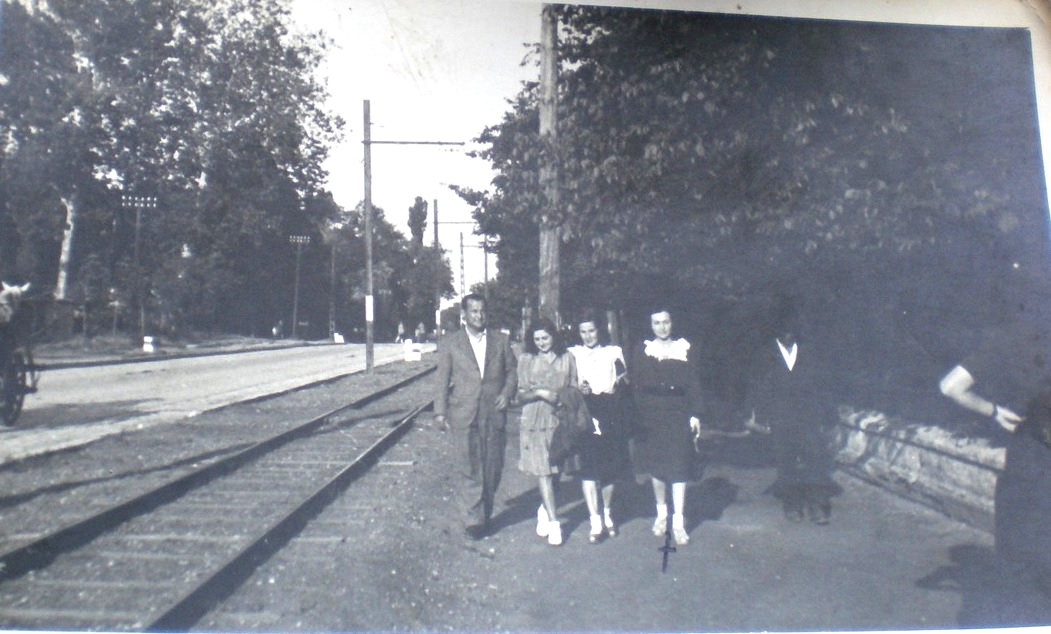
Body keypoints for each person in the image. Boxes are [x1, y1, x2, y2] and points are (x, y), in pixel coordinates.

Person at [940, 320, 1051, 589]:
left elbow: (950, 387)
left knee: (1023, 554)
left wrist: (994, 411)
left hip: (1027, 460)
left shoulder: (1009, 342)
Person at [744, 300, 837, 525]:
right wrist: (758, 416)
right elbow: (758, 387)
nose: (788, 336)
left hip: (808, 415)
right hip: (780, 416)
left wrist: (829, 414)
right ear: (776, 332)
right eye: (783, 331)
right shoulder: (766, 354)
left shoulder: (809, 352)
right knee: (786, 462)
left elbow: (822, 384)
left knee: (814, 458)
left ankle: (817, 504)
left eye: (791, 331)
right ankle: (792, 504)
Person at [434, 294, 518, 540]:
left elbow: (512, 371)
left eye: (482, 311)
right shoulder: (451, 343)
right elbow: (441, 380)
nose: (478, 316)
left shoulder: (501, 341)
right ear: (464, 315)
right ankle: (473, 519)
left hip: (493, 411)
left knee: (492, 466)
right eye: (473, 311)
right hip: (463, 411)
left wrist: (507, 392)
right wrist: (440, 412)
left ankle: (485, 512)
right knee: (468, 466)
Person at [630, 308, 702, 546]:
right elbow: (637, 384)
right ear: (651, 326)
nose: (662, 327)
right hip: (651, 412)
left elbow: (694, 382)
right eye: (657, 323)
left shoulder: (684, 347)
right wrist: (639, 415)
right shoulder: (643, 349)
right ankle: (662, 514)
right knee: (657, 465)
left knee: (679, 465)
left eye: (666, 322)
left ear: (672, 323)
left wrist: (694, 414)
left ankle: (678, 522)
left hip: (678, 411)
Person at [568, 312, 632, 544]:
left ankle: (607, 514)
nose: (588, 336)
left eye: (591, 331)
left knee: (608, 467)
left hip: (609, 410)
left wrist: (617, 387)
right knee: (588, 466)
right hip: (585, 410)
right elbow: (567, 382)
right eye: (583, 331)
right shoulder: (573, 353)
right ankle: (595, 520)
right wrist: (578, 388)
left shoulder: (613, 352)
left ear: (599, 330)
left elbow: (624, 382)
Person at [517, 317, 578, 546]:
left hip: (560, 420)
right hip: (534, 419)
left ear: (554, 336)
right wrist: (541, 393)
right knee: (544, 470)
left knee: (557, 471)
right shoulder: (526, 360)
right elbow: (520, 395)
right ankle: (554, 523)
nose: (542, 343)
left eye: (545, 337)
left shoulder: (567, 358)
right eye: (537, 339)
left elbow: (573, 387)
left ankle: (544, 507)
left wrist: (569, 396)